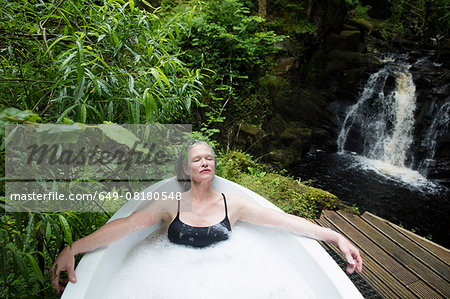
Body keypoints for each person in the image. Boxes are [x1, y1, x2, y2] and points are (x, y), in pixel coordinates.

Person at [51, 140, 363, 295]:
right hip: (170, 284)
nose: (205, 162)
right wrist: (73, 249)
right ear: (186, 169)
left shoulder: (235, 205)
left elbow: (284, 220)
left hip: (224, 284)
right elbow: (125, 226)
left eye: (209, 157)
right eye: (197, 159)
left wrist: (335, 236)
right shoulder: (169, 203)